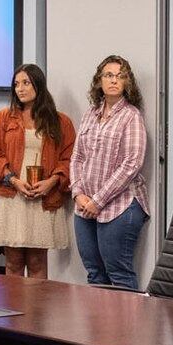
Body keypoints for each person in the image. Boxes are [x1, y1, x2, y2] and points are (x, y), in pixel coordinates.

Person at [0, 63, 75, 279]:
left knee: (37, 261)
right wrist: (13, 180)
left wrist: (51, 182)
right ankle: (13, 311)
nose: (20, 89)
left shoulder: (60, 121)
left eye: (26, 83)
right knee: (13, 260)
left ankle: (37, 313)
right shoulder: (4, 117)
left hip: (42, 196)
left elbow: (69, 159)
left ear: (38, 85)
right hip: (11, 195)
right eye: (16, 84)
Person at [70, 55, 150, 291]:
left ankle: (127, 329)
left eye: (120, 76)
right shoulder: (90, 114)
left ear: (128, 82)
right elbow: (77, 157)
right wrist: (77, 193)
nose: (114, 80)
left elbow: (131, 163)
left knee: (118, 271)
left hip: (121, 205)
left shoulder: (131, 116)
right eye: (108, 75)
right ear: (99, 81)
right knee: (94, 273)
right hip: (84, 206)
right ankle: (100, 329)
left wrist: (98, 200)